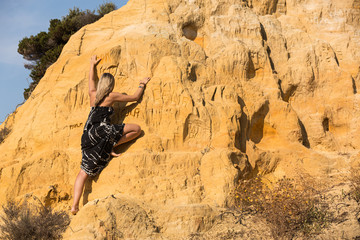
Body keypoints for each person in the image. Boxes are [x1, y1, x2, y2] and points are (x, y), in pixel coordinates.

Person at [71, 55, 150, 215]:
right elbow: (135, 97)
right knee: (137, 129)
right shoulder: (111, 96)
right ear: (111, 85)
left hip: (87, 134)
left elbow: (91, 80)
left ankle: (74, 205)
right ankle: (111, 146)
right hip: (102, 131)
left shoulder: (93, 94)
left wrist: (92, 65)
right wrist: (142, 84)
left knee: (83, 172)